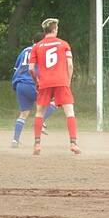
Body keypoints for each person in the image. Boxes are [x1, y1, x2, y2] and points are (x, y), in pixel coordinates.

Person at [28, 18, 80, 155]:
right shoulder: (64, 44)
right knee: (69, 112)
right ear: (55, 29)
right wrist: (68, 81)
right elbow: (69, 65)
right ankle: (73, 144)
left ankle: (37, 145)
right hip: (61, 81)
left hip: (44, 83)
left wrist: (36, 81)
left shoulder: (36, 47)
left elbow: (31, 69)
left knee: (39, 113)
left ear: (45, 31)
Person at [11, 32, 57, 148]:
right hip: (32, 83)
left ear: (32, 40)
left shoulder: (24, 51)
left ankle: (15, 140)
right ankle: (40, 122)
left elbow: (16, 68)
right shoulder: (42, 50)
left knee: (23, 114)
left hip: (20, 84)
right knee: (55, 102)